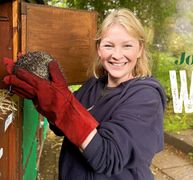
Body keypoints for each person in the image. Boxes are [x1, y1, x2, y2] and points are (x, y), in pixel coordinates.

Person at [3, 8, 166, 180]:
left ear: (140, 49)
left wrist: (63, 106)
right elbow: (60, 127)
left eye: (127, 45)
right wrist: (46, 96)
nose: (117, 55)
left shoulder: (146, 97)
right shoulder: (93, 85)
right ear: (99, 49)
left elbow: (107, 156)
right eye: (108, 45)